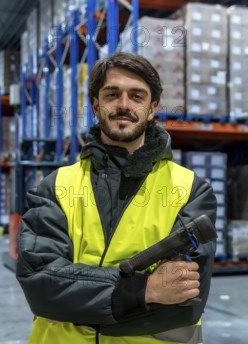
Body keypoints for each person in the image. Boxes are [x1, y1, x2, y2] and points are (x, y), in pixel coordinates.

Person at [16, 52, 217, 343]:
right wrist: (143, 291)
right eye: (113, 95)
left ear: (152, 109)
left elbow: (183, 304)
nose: (124, 105)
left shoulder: (190, 190)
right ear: (97, 106)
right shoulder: (56, 186)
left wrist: (75, 306)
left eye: (137, 96)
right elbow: (40, 284)